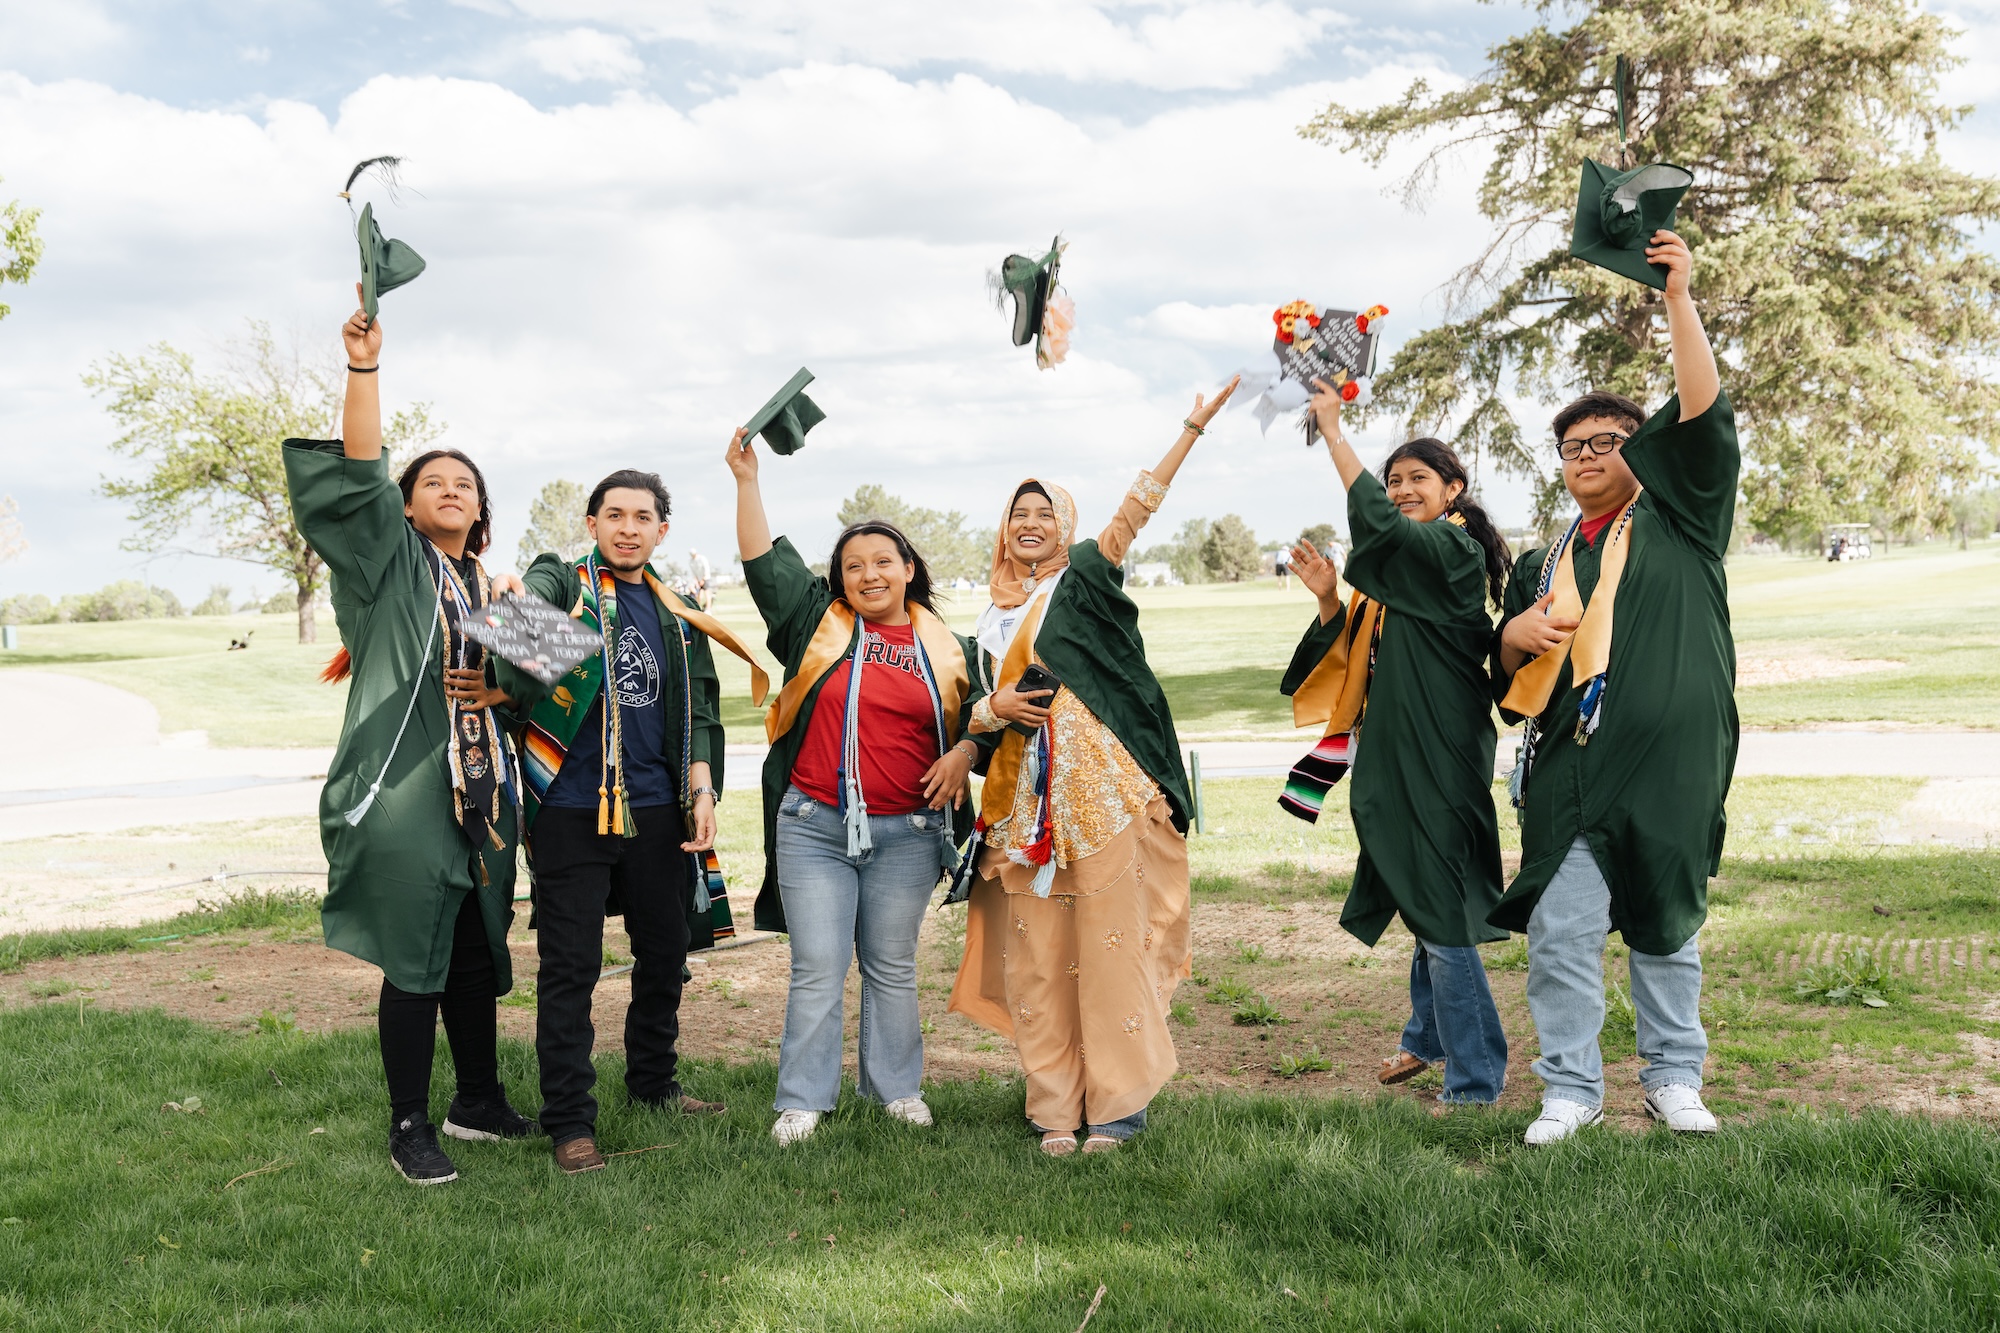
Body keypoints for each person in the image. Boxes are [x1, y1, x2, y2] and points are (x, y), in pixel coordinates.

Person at [282, 290, 537, 1185]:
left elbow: (564, 683)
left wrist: (505, 678)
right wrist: (364, 367)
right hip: (405, 792)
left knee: (475, 946)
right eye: (433, 481)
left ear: (482, 510)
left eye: (465, 483)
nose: (451, 490)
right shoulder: (387, 565)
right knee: (414, 957)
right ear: (406, 504)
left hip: (482, 793)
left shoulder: (493, 590)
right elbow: (356, 474)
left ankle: (477, 1099)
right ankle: (407, 1123)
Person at [948, 376, 1238, 1156]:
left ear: (1065, 525)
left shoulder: (1081, 580)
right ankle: (1053, 1106)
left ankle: (1117, 1103)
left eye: (1047, 513)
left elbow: (1133, 514)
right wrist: (990, 711)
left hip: (1100, 797)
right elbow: (974, 711)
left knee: (1111, 951)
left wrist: (1190, 429)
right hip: (1020, 812)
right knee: (1041, 961)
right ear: (1004, 532)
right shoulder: (985, 617)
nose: (1032, 523)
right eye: (1021, 514)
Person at [1489, 228, 1730, 1144]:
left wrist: (1676, 298)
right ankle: (1571, 1087)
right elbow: (1503, 674)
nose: (1586, 454)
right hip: (1569, 771)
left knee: (1667, 927)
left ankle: (1674, 1078)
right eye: (1570, 446)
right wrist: (1511, 635)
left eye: (1607, 441)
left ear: (1645, 452)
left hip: (1666, 764)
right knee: (1559, 930)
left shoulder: (1682, 520)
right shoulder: (1544, 560)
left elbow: (1702, 413)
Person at [726, 430, 993, 1146]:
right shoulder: (817, 623)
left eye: (883, 561)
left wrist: (965, 750)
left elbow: (986, 723)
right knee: (818, 964)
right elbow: (759, 562)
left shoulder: (947, 646)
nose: (869, 574)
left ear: (909, 568)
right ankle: (804, 1097)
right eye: (853, 564)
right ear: (838, 577)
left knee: (891, 965)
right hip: (814, 822)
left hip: (906, 831)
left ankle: (896, 1087)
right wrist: (748, 482)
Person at [501, 471, 768, 1175]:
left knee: (664, 952)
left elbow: (703, 707)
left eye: (641, 517)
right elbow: (532, 601)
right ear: (591, 524)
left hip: (657, 808)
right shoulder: (567, 582)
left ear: (661, 531)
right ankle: (570, 1119)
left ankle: (653, 1082)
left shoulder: (678, 612)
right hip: (568, 809)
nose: (627, 527)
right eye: (613, 514)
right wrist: (518, 601)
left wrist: (703, 788)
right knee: (571, 967)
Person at [1279, 402, 1513, 1110]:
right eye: (1394, 479)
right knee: (1421, 891)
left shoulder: (1453, 550)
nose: (1403, 489)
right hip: (1397, 751)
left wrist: (1335, 433)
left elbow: (1378, 529)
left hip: (1436, 757)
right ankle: (1427, 1035)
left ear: (1453, 488)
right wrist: (1329, 599)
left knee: (1438, 908)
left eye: (1417, 478)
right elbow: (1360, 654)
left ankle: (1474, 1082)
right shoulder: (1404, 579)